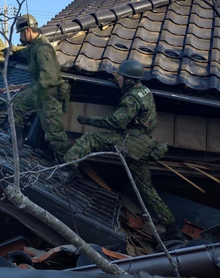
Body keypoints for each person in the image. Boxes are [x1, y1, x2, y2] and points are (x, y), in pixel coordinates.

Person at [61, 59, 183, 241]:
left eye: (120, 77)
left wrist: (89, 121)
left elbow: (116, 122)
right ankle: (172, 228)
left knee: (90, 138)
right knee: (147, 189)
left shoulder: (131, 98)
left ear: (128, 79)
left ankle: (67, 169)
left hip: (132, 143)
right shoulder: (144, 91)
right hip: (144, 144)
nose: (117, 80)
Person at [10, 14, 70, 156]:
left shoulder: (43, 48)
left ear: (28, 30)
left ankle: (70, 167)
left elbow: (50, 75)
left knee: (56, 136)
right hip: (42, 94)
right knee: (15, 104)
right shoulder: (35, 46)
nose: (20, 38)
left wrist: (36, 93)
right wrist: (9, 51)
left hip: (48, 94)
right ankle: (16, 142)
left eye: (21, 33)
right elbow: (25, 52)